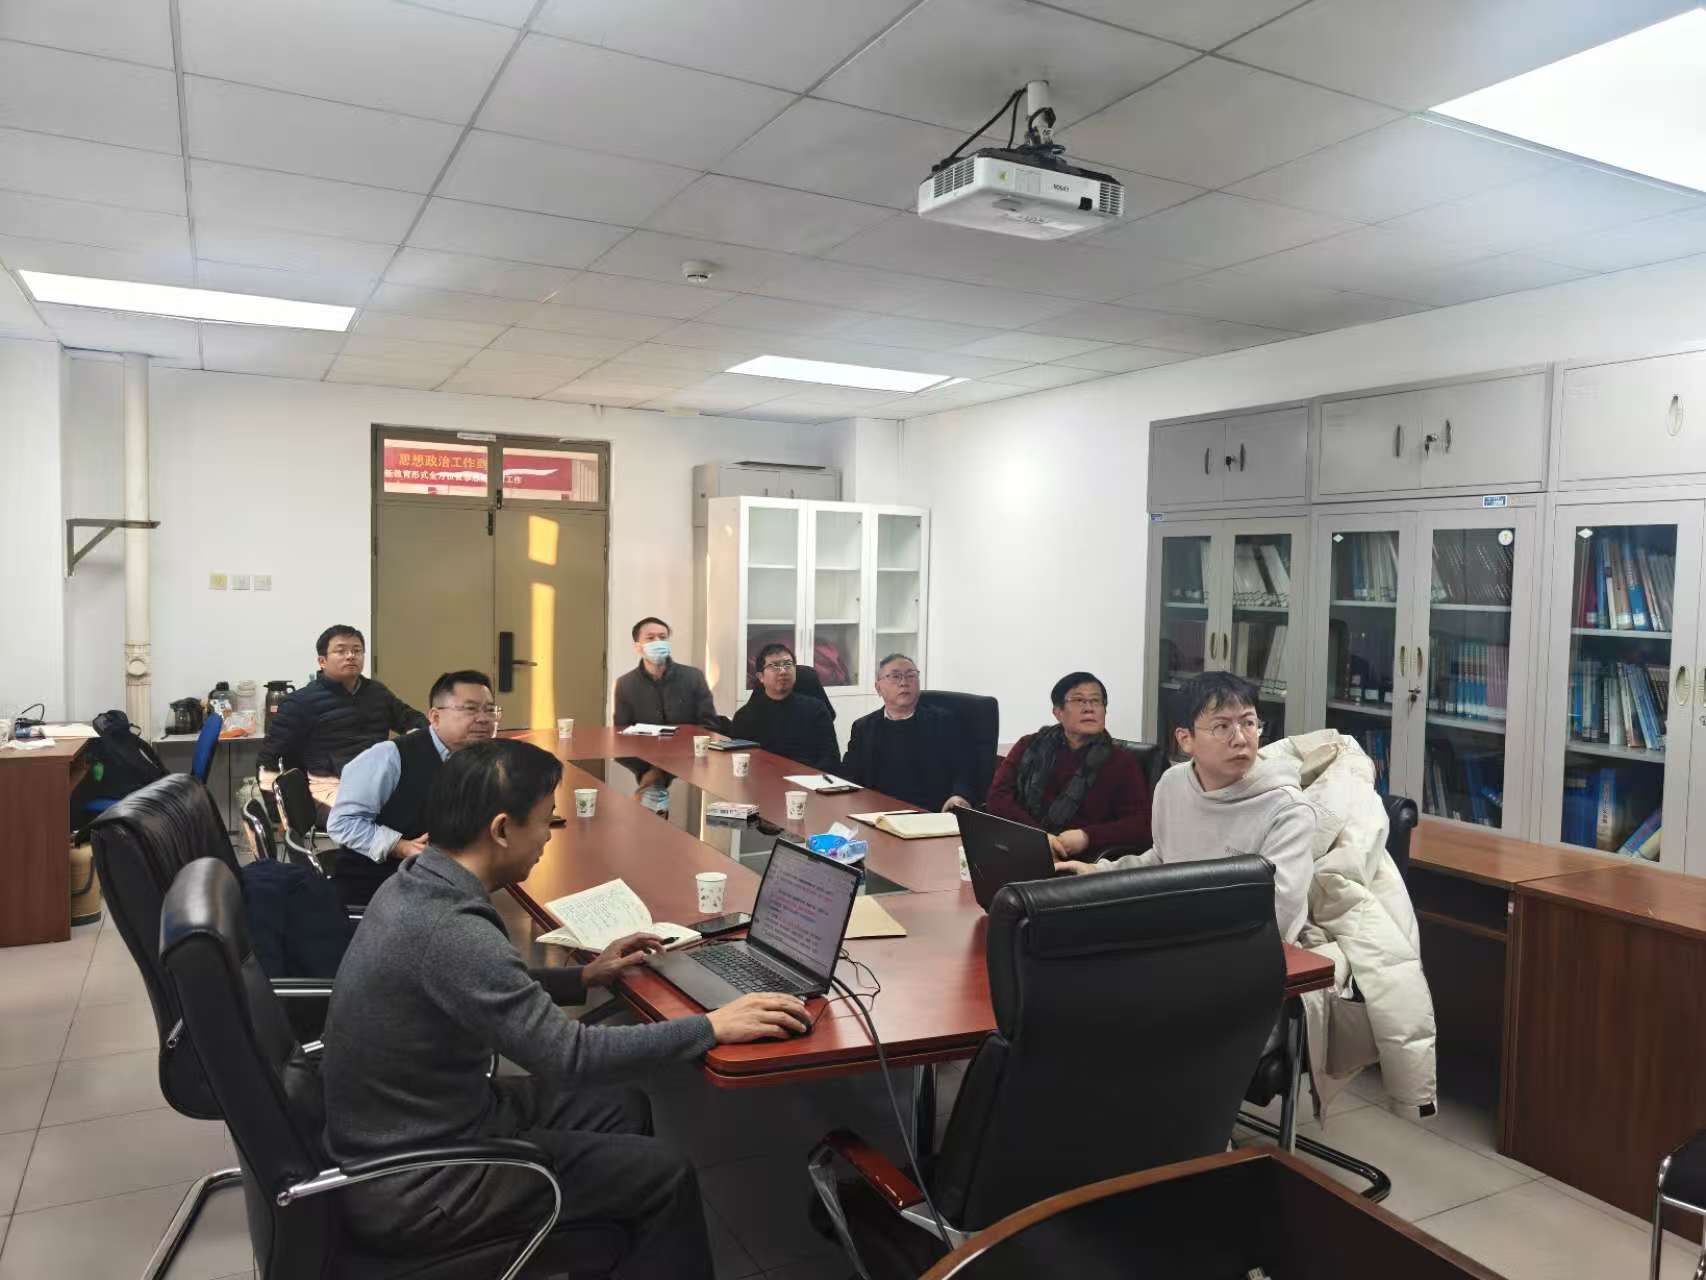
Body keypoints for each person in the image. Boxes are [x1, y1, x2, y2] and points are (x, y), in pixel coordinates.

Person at [320, 738, 809, 1277]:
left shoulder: (419, 883)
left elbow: (474, 984)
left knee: (624, 1107)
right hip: (423, 1179)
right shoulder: (451, 928)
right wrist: (710, 1026)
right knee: (665, 1175)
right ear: (501, 830)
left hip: (424, 1123)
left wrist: (583, 976)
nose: (548, 838)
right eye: (544, 822)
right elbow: (570, 1056)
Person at [1057, 671, 1314, 943]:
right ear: (1185, 739)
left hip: (1245, 946)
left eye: (1249, 723)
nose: (1240, 738)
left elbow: (1278, 916)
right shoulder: (1172, 783)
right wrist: (1097, 873)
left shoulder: (1287, 809)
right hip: (1176, 932)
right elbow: (1163, 860)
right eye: (1222, 726)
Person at [325, 669, 497, 908]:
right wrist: (400, 847)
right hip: (381, 891)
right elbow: (342, 823)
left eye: (490, 710)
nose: (484, 719)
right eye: (470, 709)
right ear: (435, 717)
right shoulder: (389, 757)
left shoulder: (478, 759)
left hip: (445, 885)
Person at [258, 624, 425, 814]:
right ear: (322, 661)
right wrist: (279, 813)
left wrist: (417, 736)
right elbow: (269, 759)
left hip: (377, 783)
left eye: (357, 650)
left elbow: (411, 719)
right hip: (328, 791)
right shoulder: (300, 702)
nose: (351, 656)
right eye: (341, 651)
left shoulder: (377, 693)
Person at [985, 671, 1151, 860]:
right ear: (1058, 712)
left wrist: (1087, 836)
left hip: (1083, 861)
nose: (1089, 709)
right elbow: (997, 797)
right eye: (1079, 700)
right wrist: (1038, 837)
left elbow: (1140, 825)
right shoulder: (1029, 746)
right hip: (1023, 847)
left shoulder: (1121, 762)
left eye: (1096, 701)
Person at [839, 654, 977, 812]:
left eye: (911, 676)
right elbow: (849, 776)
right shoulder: (863, 728)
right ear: (878, 688)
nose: (904, 683)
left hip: (930, 813)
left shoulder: (944, 722)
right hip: (875, 813)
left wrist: (960, 795)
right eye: (895, 676)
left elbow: (966, 769)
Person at [729, 643, 840, 773]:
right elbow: (741, 762)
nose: (783, 671)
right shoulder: (745, 717)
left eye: (788, 664)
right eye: (774, 666)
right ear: (761, 677)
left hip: (808, 780)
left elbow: (831, 759)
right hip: (764, 780)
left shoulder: (816, 710)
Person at [613, 617, 717, 730]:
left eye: (662, 637)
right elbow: (621, 730)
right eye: (650, 638)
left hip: (686, 741)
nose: (658, 642)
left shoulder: (693, 677)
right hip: (644, 742)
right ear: (637, 647)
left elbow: (709, 725)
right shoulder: (625, 684)